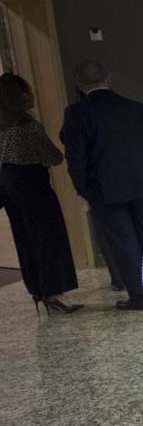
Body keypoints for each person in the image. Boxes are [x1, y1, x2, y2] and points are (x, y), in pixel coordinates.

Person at [59, 59, 143, 309]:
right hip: (140, 182)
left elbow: (76, 158)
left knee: (123, 242)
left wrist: (83, 189)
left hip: (103, 188)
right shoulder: (135, 108)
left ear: (78, 84)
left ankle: (139, 296)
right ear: (108, 78)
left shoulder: (76, 113)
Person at [0, 73, 81, 315]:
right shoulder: (28, 127)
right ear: (20, 96)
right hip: (32, 186)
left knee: (25, 238)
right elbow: (54, 157)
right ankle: (55, 292)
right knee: (48, 238)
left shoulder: (2, 127)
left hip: (9, 186)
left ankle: (37, 288)